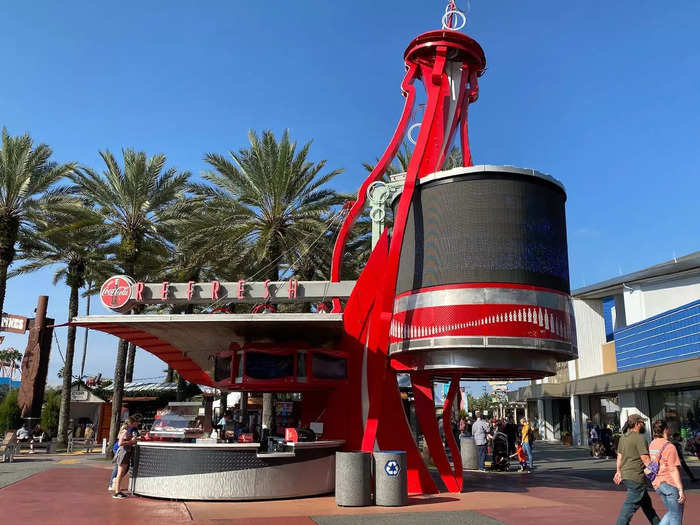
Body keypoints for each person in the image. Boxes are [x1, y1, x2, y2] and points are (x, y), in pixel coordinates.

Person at [614, 414, 660, 525]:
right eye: (642, 422)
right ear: (637, 424)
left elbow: (619, 456)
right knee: (628, 509)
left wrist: (618, 472)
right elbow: (645, 459)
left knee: (647, 507)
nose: (644, 424)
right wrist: (657, 473)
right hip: (636, 478)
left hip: (627, 476)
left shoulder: (623, 437)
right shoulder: (640, 438)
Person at [649, 421, 685, 525]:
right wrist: (680, 489)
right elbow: (673, 469)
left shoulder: (652, 444)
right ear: (666, 429)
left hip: (658, 483)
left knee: (672, 512)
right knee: (676, 515)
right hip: (670, 483)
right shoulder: (669, 447)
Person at [111, 417, 140, 498]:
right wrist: (131, 441)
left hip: (125, 452)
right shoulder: (125, 431)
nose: (136, 424)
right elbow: (120, 443)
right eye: (134, 423)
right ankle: (117, 491)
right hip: (123, 452)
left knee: (122, 472)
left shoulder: (125, 430)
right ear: (131, 423)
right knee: (120, 472)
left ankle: (118, 490)